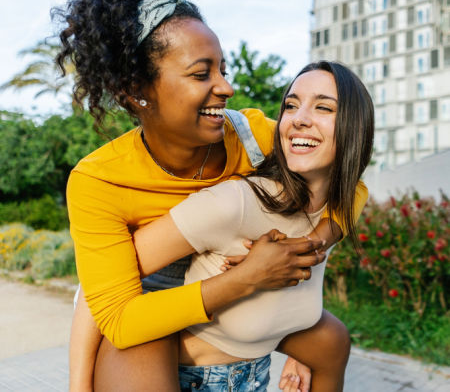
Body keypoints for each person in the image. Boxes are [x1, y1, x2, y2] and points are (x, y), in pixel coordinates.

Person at [55, 0, 368, 392]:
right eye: (202, 73)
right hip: (142, 308)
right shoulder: (99, 180)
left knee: (332, 339)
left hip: (237, 302)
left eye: (223, 68)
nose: (226, 87)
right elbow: (111, 311)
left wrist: (302, 253)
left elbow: (347, 184)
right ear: (136, 92)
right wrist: (246, 278)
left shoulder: (255, 136)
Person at [131, 60, 375, 391]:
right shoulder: (236, 203)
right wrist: (246, 276)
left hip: (256, 376)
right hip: (190, 381)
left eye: (323, 107)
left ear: (355, 127)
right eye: (291, 105)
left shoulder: (338, 207)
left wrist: (307, 247)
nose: (299, 118)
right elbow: (111, 282)